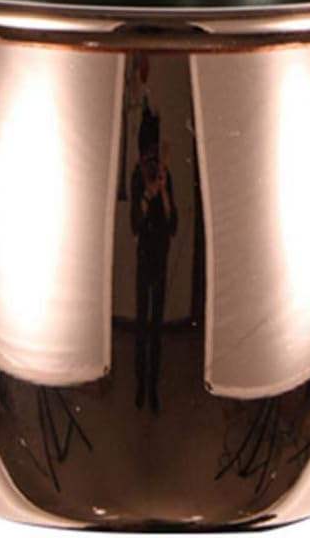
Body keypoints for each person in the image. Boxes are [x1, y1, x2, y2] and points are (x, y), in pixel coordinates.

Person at [130, 100, 177, 413]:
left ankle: (153, 388)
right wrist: (147, 194)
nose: (152, 157)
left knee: (157, 327)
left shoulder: (165, 175)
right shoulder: (137, 176)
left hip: (161, 258)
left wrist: (164, 191)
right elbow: (134, 224)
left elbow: (174, 226)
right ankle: (140, 386)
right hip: (143, 258)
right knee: (141, 325)